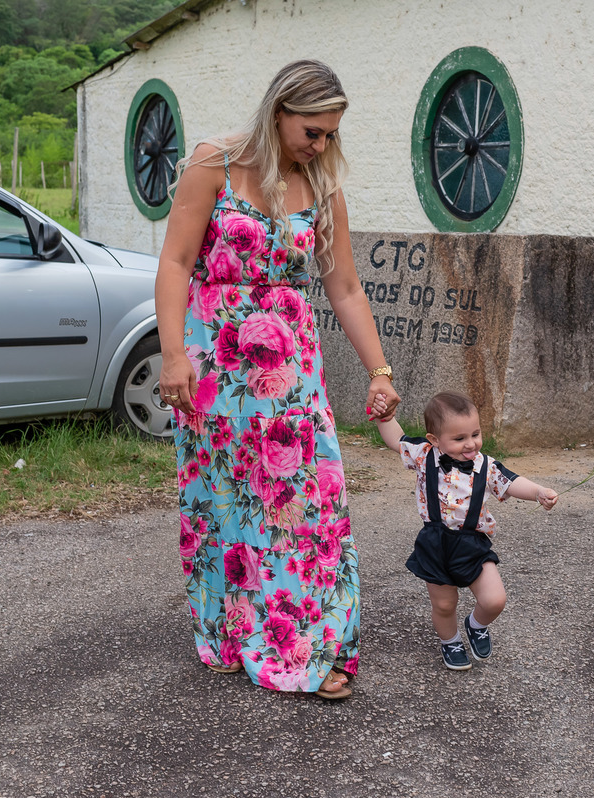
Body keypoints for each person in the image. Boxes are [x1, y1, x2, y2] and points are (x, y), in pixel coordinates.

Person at [155, 59, 399, 700]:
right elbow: (176, 262)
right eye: (312, 131)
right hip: (214, 371)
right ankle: (231, 632)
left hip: (291, 379)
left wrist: (379, 370)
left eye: (330, 135)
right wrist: (173, 355)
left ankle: (311, 648)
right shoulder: (213, 164)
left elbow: (345, 288)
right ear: (278, 112)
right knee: (224, 500)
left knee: (305, 504)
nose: (321, 145)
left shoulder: (322, 187)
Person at [369, 391, 558, 670]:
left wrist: (538, 492)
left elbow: (511, 482)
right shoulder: (423, 454)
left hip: (472, 543)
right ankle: (451, 641)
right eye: (459, 438)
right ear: (434, 439)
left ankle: (476, 624)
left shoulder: (486, 466)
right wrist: (384, 416)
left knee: (495, 600)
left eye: (475, 434)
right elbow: (396, 439)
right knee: (445, 604)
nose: (470, 443)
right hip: (435, 543)